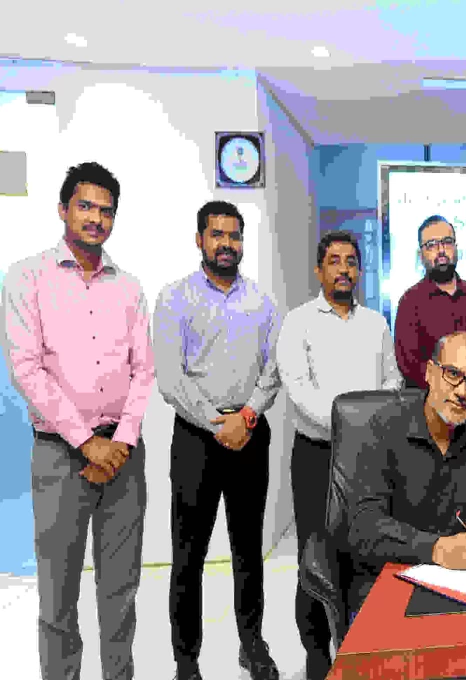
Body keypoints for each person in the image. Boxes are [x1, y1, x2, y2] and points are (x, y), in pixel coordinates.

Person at [3, 162, 154, 680]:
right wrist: (88, 442)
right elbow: (27, 368)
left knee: (120, 590)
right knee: (58, 595)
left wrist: (121, 442)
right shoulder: (27, 277)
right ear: (63, 209)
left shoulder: (129, 287)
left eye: (106, 210)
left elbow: (143, 371)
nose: (96, 218)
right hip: (59, 456)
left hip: (124, 458)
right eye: (85, 206)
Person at [153, 201, 282, 680]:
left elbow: (273, 370)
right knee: (189, 554)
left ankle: (252, 644)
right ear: (200, 239)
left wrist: (245, 417)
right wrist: (216, 422)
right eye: (217, 234)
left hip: (250, 434)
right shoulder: (175, 298)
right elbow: (171, 378)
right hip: (195, 438)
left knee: (249, 550)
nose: (227, 244)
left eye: (234, 235)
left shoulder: (263, 303)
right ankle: (186, 661)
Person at [276, 230, 402, 679]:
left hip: (370, 460)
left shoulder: (376, 323)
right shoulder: (298, 322)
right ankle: (316, 654)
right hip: (317, 455)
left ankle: (361, 645)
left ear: (360, 271)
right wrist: (352, 426)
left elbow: (392, 381)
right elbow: (297, 388)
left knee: (365, 551)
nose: (344, 269)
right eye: (334, 261)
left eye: (351, 261)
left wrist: (369, 429)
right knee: (316, 558)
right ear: (319, 269)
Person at [347, 331, 466, 614]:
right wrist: (436, 548)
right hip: (391, 579)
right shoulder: (382, 427)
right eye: (453, 374)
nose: (462, 392)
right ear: (429, 372)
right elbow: (363, 526)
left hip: (465, 583)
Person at [394, 215, 466, 390]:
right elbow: (409, 366)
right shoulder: (410, 302)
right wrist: (450, 388)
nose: (441, 250)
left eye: (447, 242)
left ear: (456, 247)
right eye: (431, 245)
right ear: (421, 254)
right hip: (428, 401)